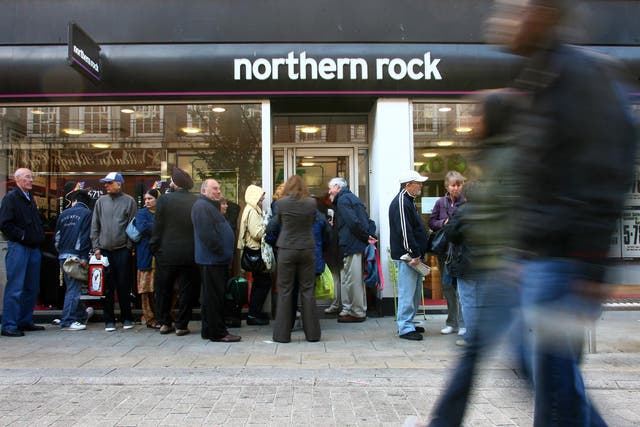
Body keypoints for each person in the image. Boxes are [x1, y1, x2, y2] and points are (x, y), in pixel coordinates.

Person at [269, 175, 321, 343]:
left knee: (285, 291)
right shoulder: (312, 203)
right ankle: (313, 335)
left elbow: (274, 225)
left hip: (286, 249)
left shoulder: (281, 203)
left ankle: (282, 335)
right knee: (307, 291)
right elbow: (313, 222)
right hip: (307, 248)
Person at [150, 167, 199, 336]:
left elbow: (158, 226)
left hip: (167, 252)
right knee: (186, 290)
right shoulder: (195, 200)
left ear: (176, 184)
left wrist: (154, 247)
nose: (170, 183)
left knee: (164, 288)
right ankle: (182, 324)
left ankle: (165, 322)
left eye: (171, 180)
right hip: (189, 253)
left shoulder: (164, 200)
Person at [192, 178, 240, 342]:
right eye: (214, 189)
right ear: (204, 190)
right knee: (214, 298)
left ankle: (209, 330)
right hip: (212, 260)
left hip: (214, 260)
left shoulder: (207, 206)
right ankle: (218, 332)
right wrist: (221, 251)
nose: (218, 191)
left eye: (219, 188)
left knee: (211, 297)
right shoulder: (202, 207)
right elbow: (207, 235)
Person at [0, 168, 46, 337]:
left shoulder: (29, 198)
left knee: (31, 287)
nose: (31, 180)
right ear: (17, 179)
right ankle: (9, 324)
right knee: (15, 287)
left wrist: (39, 234)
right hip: (19, 247)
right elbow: (5, 223)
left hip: (33, 248)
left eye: (31, 177)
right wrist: (23, 235)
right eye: (27, 177)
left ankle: (24, 320)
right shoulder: (11, 198)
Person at [91, 172, 137, 332]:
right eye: (106, 183)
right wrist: (96, 247)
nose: (106, 185)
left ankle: (127, 318)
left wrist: (129, 246)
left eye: (109, 183)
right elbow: (95, 225)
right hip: (104, 250)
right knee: (107, 287)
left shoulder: (129, 201)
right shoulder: (100, 202)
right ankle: (109, 320)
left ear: (119, 183)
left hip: (122, 249)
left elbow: (133, 225)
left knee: (124, 285)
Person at [327, 177, 377, 323]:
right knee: (354, 279)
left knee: (352, 280)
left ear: (337, 187)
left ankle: (357, 312)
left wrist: (365, 236)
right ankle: (356, 309)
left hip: (351, 244)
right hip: (355, 243)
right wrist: (368, 235)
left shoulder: (343, 200)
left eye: (330, 187)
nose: (329, 191)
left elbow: (353, 223)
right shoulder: (352, 198)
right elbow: (366, 220)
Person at [388, 170, 430, 341]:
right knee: (408, 292)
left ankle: (409, 322)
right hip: (409, 257)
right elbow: (405, 231)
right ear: (408, 185)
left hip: (412, 256)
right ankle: (405, 327)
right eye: (417, 182)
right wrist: (414, 253)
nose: (420, 185)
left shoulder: (407, 201)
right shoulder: (402, 202)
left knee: (413, 292)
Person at [428, 170, 466, 337]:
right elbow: (431, 222)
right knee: (447, 286)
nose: (456, 188)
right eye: (453, 185)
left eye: (458, 185)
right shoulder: (440, 203)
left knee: (462, 289)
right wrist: (444, 222)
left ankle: (464, 323)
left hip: (461, 250)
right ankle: (451, 322)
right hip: (444, 250)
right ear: (447, 186)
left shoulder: (466, 203)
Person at [54, 190, 93, 331]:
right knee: (74, 289)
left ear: (75, 200)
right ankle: (68, 321)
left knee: (70, 287)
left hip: (63, 255)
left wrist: (61, 252)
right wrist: (83, 256)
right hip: (75, 255)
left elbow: (57, 237)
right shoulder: (86, 214)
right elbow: (84, 236)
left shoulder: (63, 214)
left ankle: (81, 315)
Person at [237, 184, 272, 325]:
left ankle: (254, 313)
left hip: (254, 250)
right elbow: (256, 233)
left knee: (261, 282)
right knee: (262, 282)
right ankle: (253, 314)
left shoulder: (252, 209)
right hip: (255, 251)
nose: (262, 199)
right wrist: (267, 225)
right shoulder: (252, 211)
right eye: (261, 196)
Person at [135, 189, 161, 329]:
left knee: (160, 289)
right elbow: (142, 228)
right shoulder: (141, 213)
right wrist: (159, 227)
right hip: (146, 255)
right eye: (145, 199)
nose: (147, 201)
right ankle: (149, 317)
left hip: (160, 257)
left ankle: (161, 315)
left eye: (150, 198)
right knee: (146, 290)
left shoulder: (162, 213)